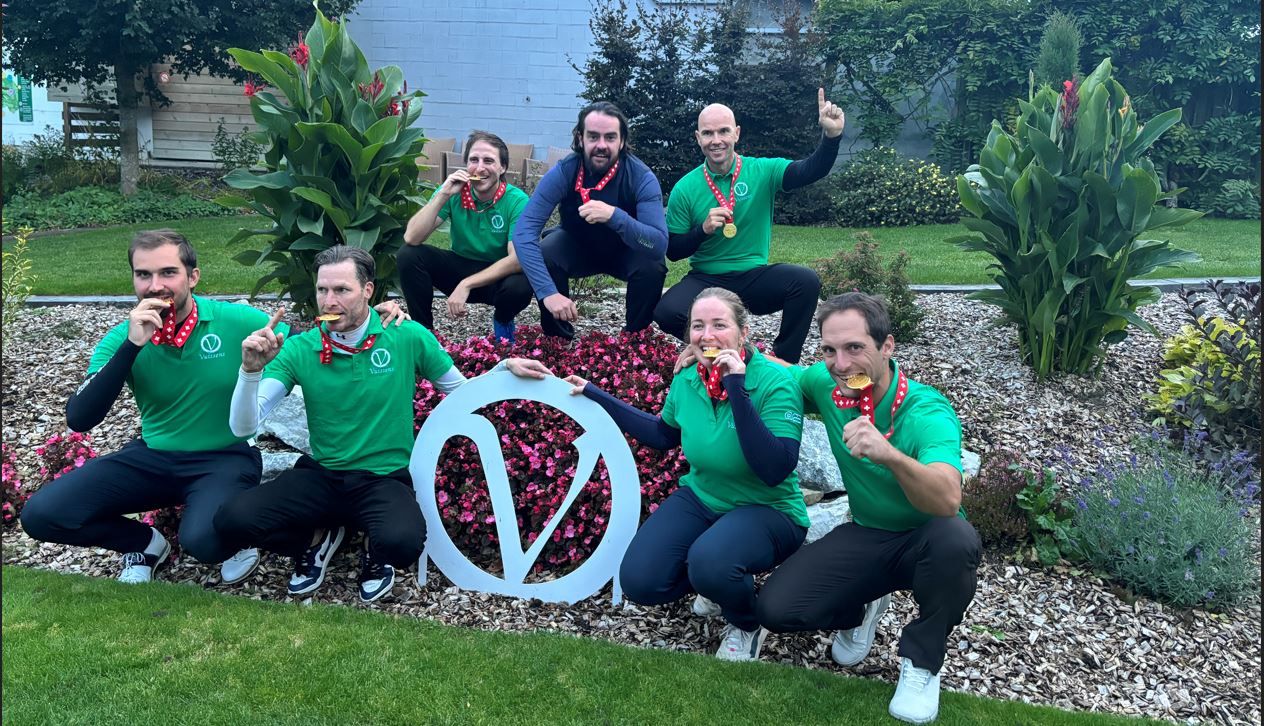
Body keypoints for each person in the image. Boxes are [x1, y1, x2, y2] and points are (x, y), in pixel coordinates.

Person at [216, 245, 550, 603]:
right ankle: (317, 539)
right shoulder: (301, 349)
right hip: (324, 475)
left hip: (383, 477)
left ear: (368, 290)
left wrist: (503, 369)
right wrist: (250, 371)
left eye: (342, 290)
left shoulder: (406, 335)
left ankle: (375, 551)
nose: (329, 301)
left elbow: (461, 392)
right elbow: (244, 427)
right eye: (322, 290)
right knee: (232, 521)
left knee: (401, 544)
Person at [750, 292, 981, 724]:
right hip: (868, 533)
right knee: (776, 609)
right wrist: (720, 351)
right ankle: (863, 608)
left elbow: (948, 499)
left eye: (854, 348)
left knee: (957, 540)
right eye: (830, 350)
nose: (841, 364)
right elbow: (783, 374)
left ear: (887, 346)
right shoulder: (828, 383)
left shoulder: (926, 410)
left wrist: (889, 455)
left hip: (927, 539)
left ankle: (923, 662)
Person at [20, 230, 288, 585]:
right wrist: (133, 346)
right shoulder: (122, 337)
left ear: (193, 277)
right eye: (143, 274)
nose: (155, 285)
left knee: (203, 542)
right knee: (41, 515)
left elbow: (303, 349)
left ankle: (235, 538)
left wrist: (376, 322)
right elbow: (80, 418)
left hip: (225, 456)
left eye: (168, 273)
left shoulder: (235, 321)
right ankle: (143, 544)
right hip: (154, 456)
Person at [564, 287, 807, 661]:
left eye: (719, 325)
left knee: (710, 562)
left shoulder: (775, 382)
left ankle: (745, 622)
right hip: (704, 497)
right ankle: (718, 581)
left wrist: (736, 387)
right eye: (698, 326)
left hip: (768, 508)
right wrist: (595, 393)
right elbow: (662, 435)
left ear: (743, 332)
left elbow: (774, 469)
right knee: (641, 581)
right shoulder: (689, 378)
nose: (707, 335)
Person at [653, 88, 845, 364]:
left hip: (753, 277)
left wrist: (831, 137)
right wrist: (702, 230)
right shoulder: (685, 187)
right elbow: (673, 251)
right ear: (698, 138)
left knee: (805, 281)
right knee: (666, 312)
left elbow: (810, 170)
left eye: (723, 131)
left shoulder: (762, 171)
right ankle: (726, 348)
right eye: (708, 133)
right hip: (706, 279)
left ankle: (784, 361)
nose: (716, 140)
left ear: (737, 133)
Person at [512, 101, 669, 339]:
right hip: (577, 245)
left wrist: (615, 216)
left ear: (622, 141)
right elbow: (524, 233)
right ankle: (557, 339)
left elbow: (657, 244)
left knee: (652, 265)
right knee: (546, 253)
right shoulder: (564, 171)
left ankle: (635, 338)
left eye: (610, 137)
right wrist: (547, 292)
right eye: (593, 136)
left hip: (626, 250)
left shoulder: (641, 177)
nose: (601, 145)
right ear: (580, 138)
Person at [397, 130, 534, 345]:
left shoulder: (517, 200)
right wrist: (443, 194)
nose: (480, 168)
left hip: (497, 275)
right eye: (473, 160)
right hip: (460, 264)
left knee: (522, 284)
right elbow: (411, 237)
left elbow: (516, 259)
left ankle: (503, 325)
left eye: (488, 161)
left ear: (503, 167)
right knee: (409, 255)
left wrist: (466, 284)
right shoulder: (454, 191)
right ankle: (424, 335)